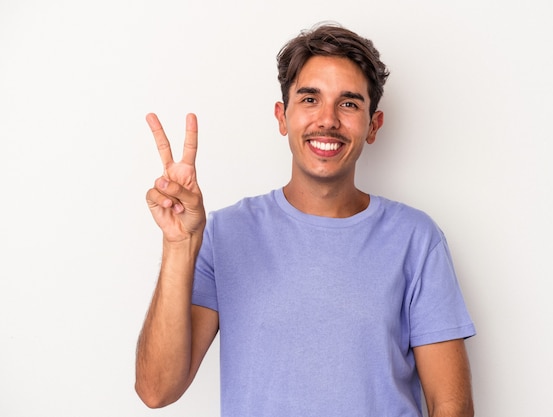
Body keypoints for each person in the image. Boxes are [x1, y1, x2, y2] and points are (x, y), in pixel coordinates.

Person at [135, 23, 476, 417]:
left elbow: (450, 405)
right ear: (283, 117)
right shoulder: (223, 235)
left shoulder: (416, 239)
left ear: (373, 125)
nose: (327, 120)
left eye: (349, 103)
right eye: (310, 99)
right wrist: (178, 246)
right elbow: (156, 390)